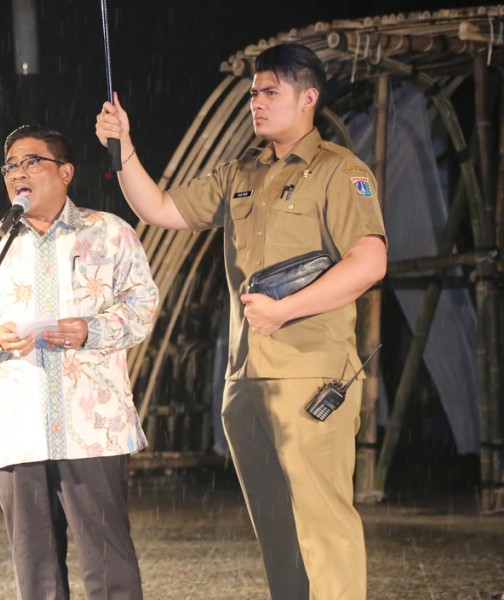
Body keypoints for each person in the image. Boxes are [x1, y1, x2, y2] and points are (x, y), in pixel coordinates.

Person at [95, 43, 387, 600]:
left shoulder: (340, 170)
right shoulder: (241, 171)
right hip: (245, 378)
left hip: (311, 376)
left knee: (323, 527)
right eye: (254, 92)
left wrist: (285, 310)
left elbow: (369, 263)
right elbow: (159, 208)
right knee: (277, 530)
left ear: (308, 98)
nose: (257, 102)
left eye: (270, 92)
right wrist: (124, 146)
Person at [0, 124, 158, 600]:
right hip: (18, 428)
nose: (17, 174)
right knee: (36, 570)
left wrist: (90, 329)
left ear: (65, 172)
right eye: (10, 166)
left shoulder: (108, 232)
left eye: (31, 162)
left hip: (92, 427)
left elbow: (143, 307)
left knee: (109, 563)